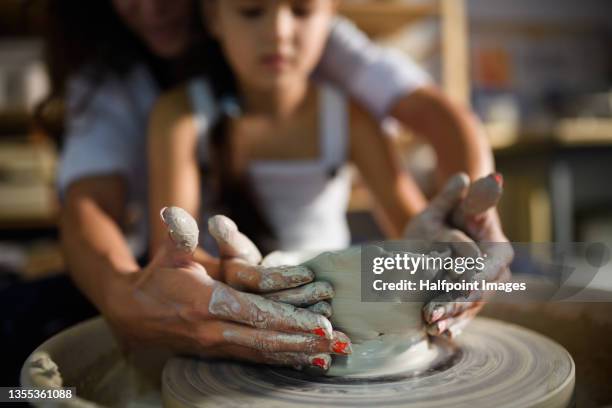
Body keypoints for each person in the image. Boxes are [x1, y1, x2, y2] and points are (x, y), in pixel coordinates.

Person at [48, 0, 508, 372]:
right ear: (213, 17)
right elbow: (170, 252)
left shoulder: (348, 114)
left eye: (302, 11)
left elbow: (414, 214)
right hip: (232, 303)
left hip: (343, 320)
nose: (279, 32)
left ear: (332, 15)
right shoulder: (177, 116)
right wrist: (237, 280)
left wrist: (450, 242)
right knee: (37, 376)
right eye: (251, 12)